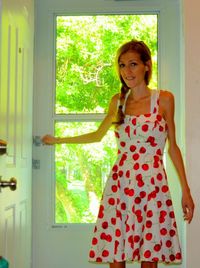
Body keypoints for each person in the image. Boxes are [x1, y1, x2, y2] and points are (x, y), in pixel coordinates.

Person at [42, 39, 195, 268]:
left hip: (152, 186)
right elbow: (97, 134)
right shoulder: (118, 102)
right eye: (122, 65)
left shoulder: (164, 100)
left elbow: (173, 147)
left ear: (146, 65)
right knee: (116, 253)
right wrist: (59, 140)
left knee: (149, 257)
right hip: (120, 185)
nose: (127, 71)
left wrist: (186, 190)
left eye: (132, 64)